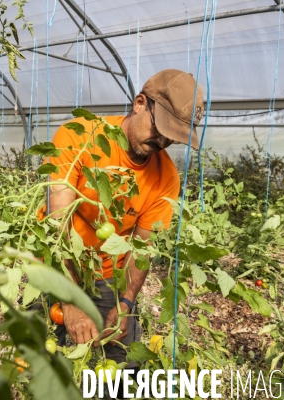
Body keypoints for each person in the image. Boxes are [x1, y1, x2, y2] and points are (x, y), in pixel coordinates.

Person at [44, 69, 204, 370]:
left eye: (173, 137)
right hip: (58, 265)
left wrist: (127, 302)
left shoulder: (166, 178)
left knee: (121, 366)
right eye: (161, 128)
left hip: (108, 273)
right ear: (140, 103)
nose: (162, 141)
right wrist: (69, 300)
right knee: (46, 360)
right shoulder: (80, 136)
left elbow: (142, 248)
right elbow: (57, 227)